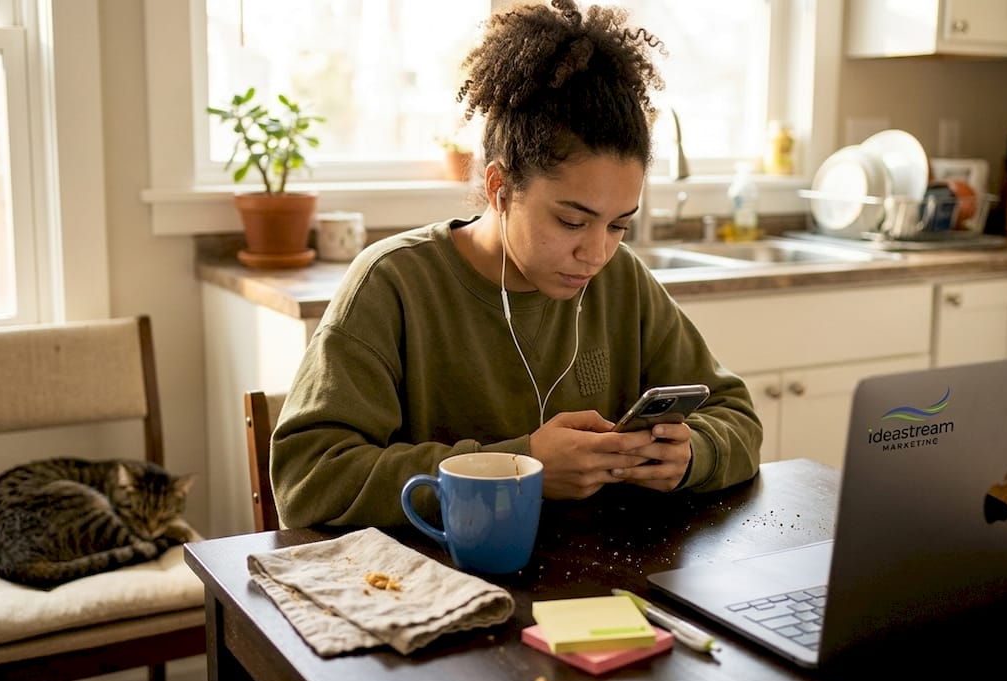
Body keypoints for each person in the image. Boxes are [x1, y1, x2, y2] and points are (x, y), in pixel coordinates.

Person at [271, 0, 762, 528]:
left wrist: (692, 456)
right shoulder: (392, 284)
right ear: (499, 187)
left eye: (619, 225)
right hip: (435, 592)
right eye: (573, 222)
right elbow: (308, 480)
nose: (596, 253)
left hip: (595, 589)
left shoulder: (623, 281)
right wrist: (515, 466)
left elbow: (737, 416)